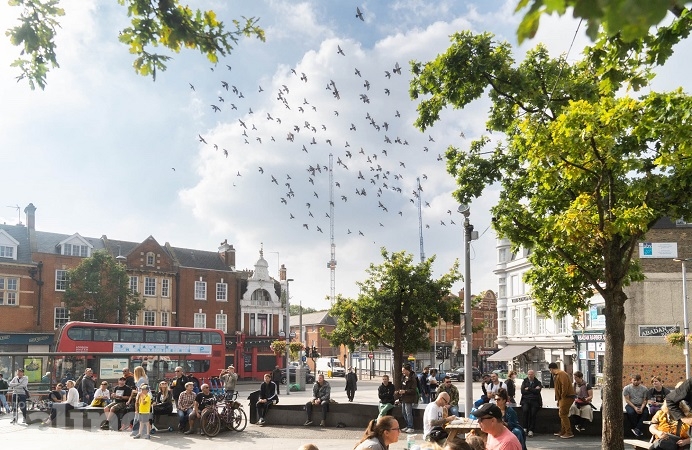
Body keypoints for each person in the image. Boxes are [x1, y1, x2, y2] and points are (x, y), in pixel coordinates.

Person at [549, 362, 575, 439]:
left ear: (551, 369)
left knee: (563, 414)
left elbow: (565, 386)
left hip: (566, 397)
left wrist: (562, 396)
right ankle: (563, 431)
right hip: (564, 397)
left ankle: (568, 432)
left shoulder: (561, 374)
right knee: (562, 414)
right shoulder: (559, 374)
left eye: (550, 370)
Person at [519, 369, 542, 437]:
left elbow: (538, 392)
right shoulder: (524, 381)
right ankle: (525, 428)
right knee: (525, 411)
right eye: (529, 374)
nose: (530, 376)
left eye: (531, 374)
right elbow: (523, 391)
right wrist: (533, 389)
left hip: (535, 401)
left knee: (533, 414)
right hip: (525, 400)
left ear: (534, 375)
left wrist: (528, 389)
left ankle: (531, 430)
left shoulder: (538, 382)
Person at [396, 364, 417, 433]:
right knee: (404, 412)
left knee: (408, 413)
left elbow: (413, 390)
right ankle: (408, 425)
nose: (403, 372)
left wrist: (405, 391)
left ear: (408, 370)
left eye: (404, 370)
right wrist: (400, 391)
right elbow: (402, 386)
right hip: (404, 397)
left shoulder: (413, 379)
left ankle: (411, 426)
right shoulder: (404, 378)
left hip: (409, 398)